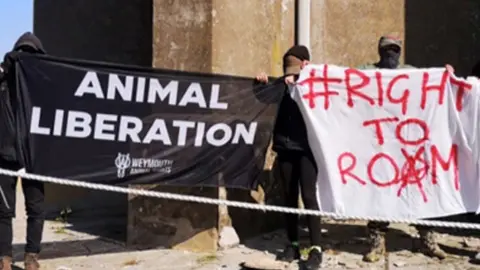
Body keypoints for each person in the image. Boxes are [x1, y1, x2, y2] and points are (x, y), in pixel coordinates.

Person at [358, 35, 447, 263]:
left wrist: (446, 76)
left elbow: (432, 86)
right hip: (380, 145)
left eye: (395, 49)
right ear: (379, 50)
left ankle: (428, 239)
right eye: (387, 49)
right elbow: (342, 81)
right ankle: (377, 243)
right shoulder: (367, 72)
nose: (391, 54)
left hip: (408, 147)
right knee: (380, 194)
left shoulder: (411, 73)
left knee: (418, 192)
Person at [256, 45, 322, 270]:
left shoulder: (316, 86)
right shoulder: (280, 87)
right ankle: (292, 244)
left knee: (310, 197)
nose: (290, 77)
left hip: (307, 151)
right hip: (284, 149)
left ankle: (316, 249)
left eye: (295, 71)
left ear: (306, 65)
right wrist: (261, 83)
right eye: (288, 72)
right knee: (289, 199)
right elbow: (260, 97)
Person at [0, 32, 46, 270]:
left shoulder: (43, 85)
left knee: (37, 209)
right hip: (4, 155)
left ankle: (31, 257)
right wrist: (5, 67)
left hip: (33, 156)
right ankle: (4, 259)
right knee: (3, 211)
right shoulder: (3, 82)